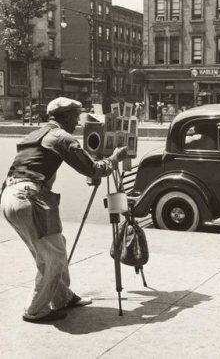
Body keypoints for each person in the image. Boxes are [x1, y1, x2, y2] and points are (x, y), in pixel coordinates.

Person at [0, 97, 128, 323]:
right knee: (53, 259)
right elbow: (92, 168)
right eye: (76, 116)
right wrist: (114, 159)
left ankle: (63, 298)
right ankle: (35, 310)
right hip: (30, 197)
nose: (78, 122)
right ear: (66, 116)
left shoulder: (36, 135)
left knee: (53, 250)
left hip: (10, 196)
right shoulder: (61, 137)